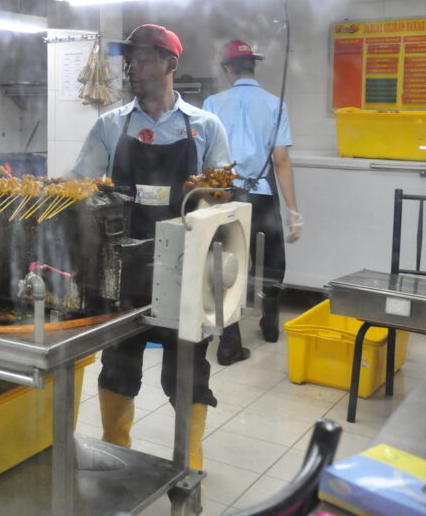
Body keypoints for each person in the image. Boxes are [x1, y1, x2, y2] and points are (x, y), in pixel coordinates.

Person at [71, 24, 232, 471]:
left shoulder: (204, 127)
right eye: (129, 60)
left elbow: (224, 195)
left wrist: (212, 192)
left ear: (170, 64)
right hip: (122, 270)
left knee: (186, 374)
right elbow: (81, 185)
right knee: (119, 365)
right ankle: (114, 454)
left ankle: (189, 466)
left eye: (142, 59)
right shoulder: (110, 125)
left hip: (184, 270)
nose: (131, 68)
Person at [203, 40, 302, 366]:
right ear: (252, 66)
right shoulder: (276, 104)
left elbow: (206, 158)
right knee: (271, 263)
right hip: (261, 196)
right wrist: (293, 212)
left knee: (225, 266)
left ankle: (229, 344)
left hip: (225, 196)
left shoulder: (213, 103)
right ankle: (270, 325)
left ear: (228, 69)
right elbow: (282, 161)